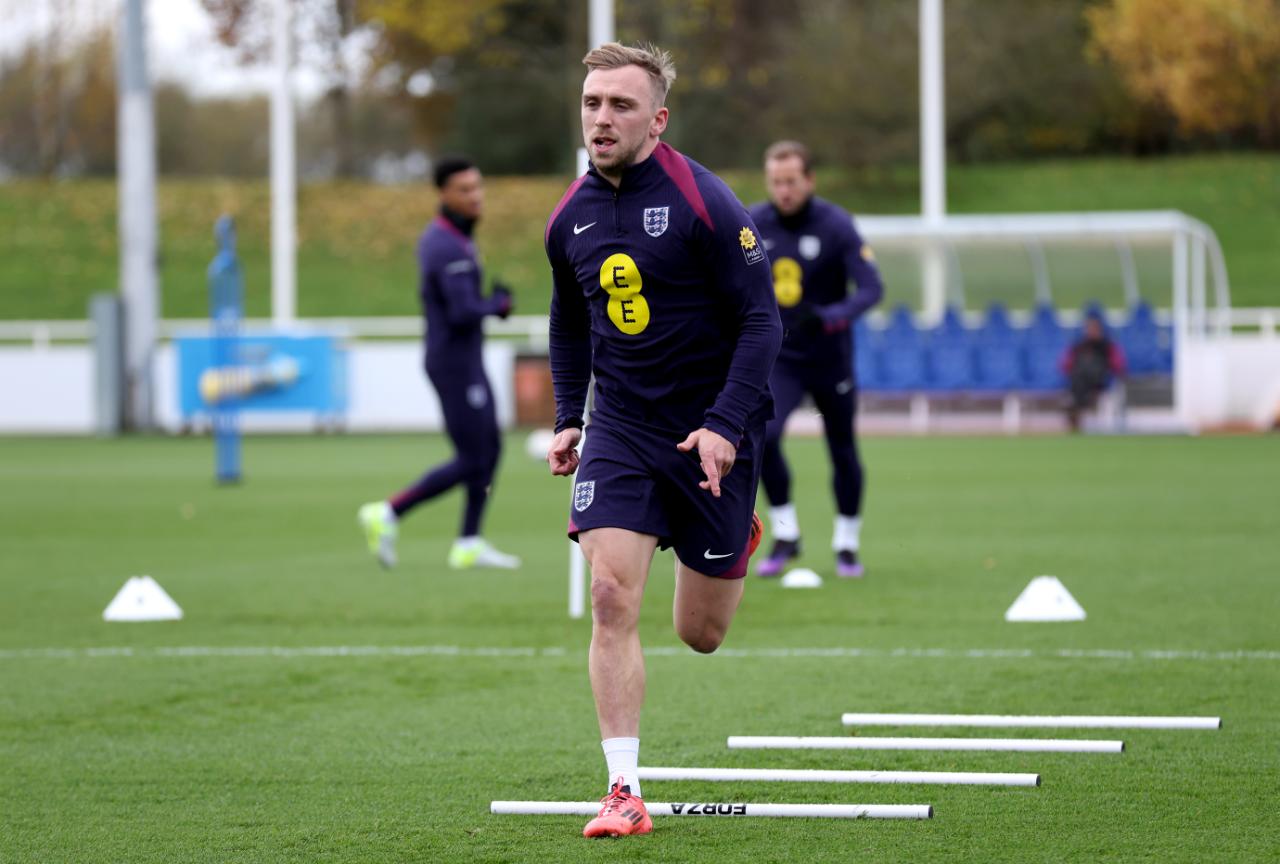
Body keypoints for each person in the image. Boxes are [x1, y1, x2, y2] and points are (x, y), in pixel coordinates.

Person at [544, 42, 781, 838]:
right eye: (591, 103)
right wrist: (570, 415)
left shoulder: (704, 201)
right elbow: (569, 322)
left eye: (620, 104)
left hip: (713, 429)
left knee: (701, 635)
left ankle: (733, 532)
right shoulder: (567, 216)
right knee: (609, 596)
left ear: (658, 118)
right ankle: (623, 790)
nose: (601, 118)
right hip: (622, 430)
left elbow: (761, 319)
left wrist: (722, 425)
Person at [358, 157, 521, 571]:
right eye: (465, 189)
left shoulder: (459, 237)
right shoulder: (443, 243)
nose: (475, 196)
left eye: (478, 187)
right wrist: (497, 305)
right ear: (444, 194)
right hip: (453, 363)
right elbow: (463, 311)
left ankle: (469, 541)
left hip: (467, 359)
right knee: (472, 457)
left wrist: (491, 306)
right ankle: (388, 512)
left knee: (491, 448)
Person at [747, 141, 883, 579]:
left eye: (791, 181)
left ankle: (847, 544)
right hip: (781, 358)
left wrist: (829, 316)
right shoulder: (752, 222)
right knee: (764, 439)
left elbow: (870, 288)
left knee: (841, 448)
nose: (783, 190)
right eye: (776, 182)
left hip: (829, 358)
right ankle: (786, 532)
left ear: (809, 180)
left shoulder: (836, 224)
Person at [1061, 311, 1126, 432]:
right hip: (1080, 380)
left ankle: (1076, 406)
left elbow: (1118, 364)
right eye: (1089, 328)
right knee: (1078, 378)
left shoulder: (1107, 346)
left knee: (1082, 377)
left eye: (1094, 328)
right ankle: (1078, 407)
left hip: (1099, 379)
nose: (1091, 331)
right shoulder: (1079, 346)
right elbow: (1065, 364)